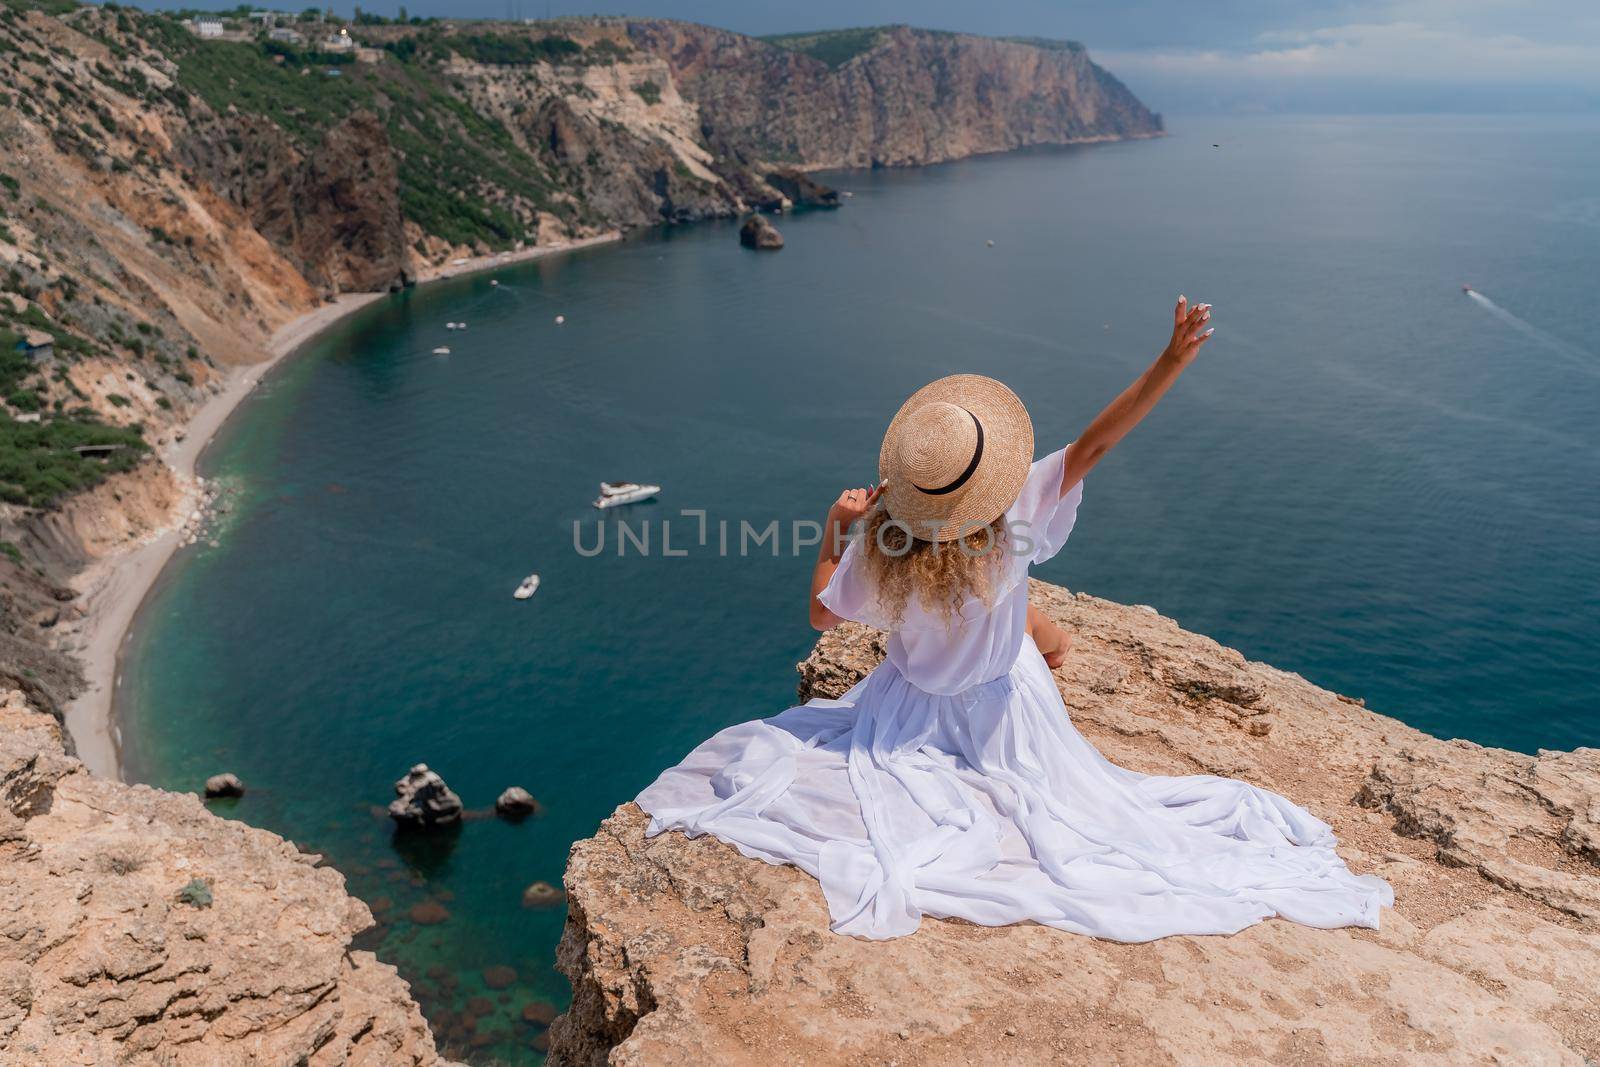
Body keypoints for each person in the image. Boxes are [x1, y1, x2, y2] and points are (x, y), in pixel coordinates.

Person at [638, 297, 1391, 941]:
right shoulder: (1015, 515)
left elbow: (819, 615)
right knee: (1067, 731)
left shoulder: (882, 544)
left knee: (1020, 641)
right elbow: (1098, 440)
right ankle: (1039, 638)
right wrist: (1170, 361)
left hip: (906, 714)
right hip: (1009, 710)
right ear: (983, 473)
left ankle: (1035, 636)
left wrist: (836, 525)